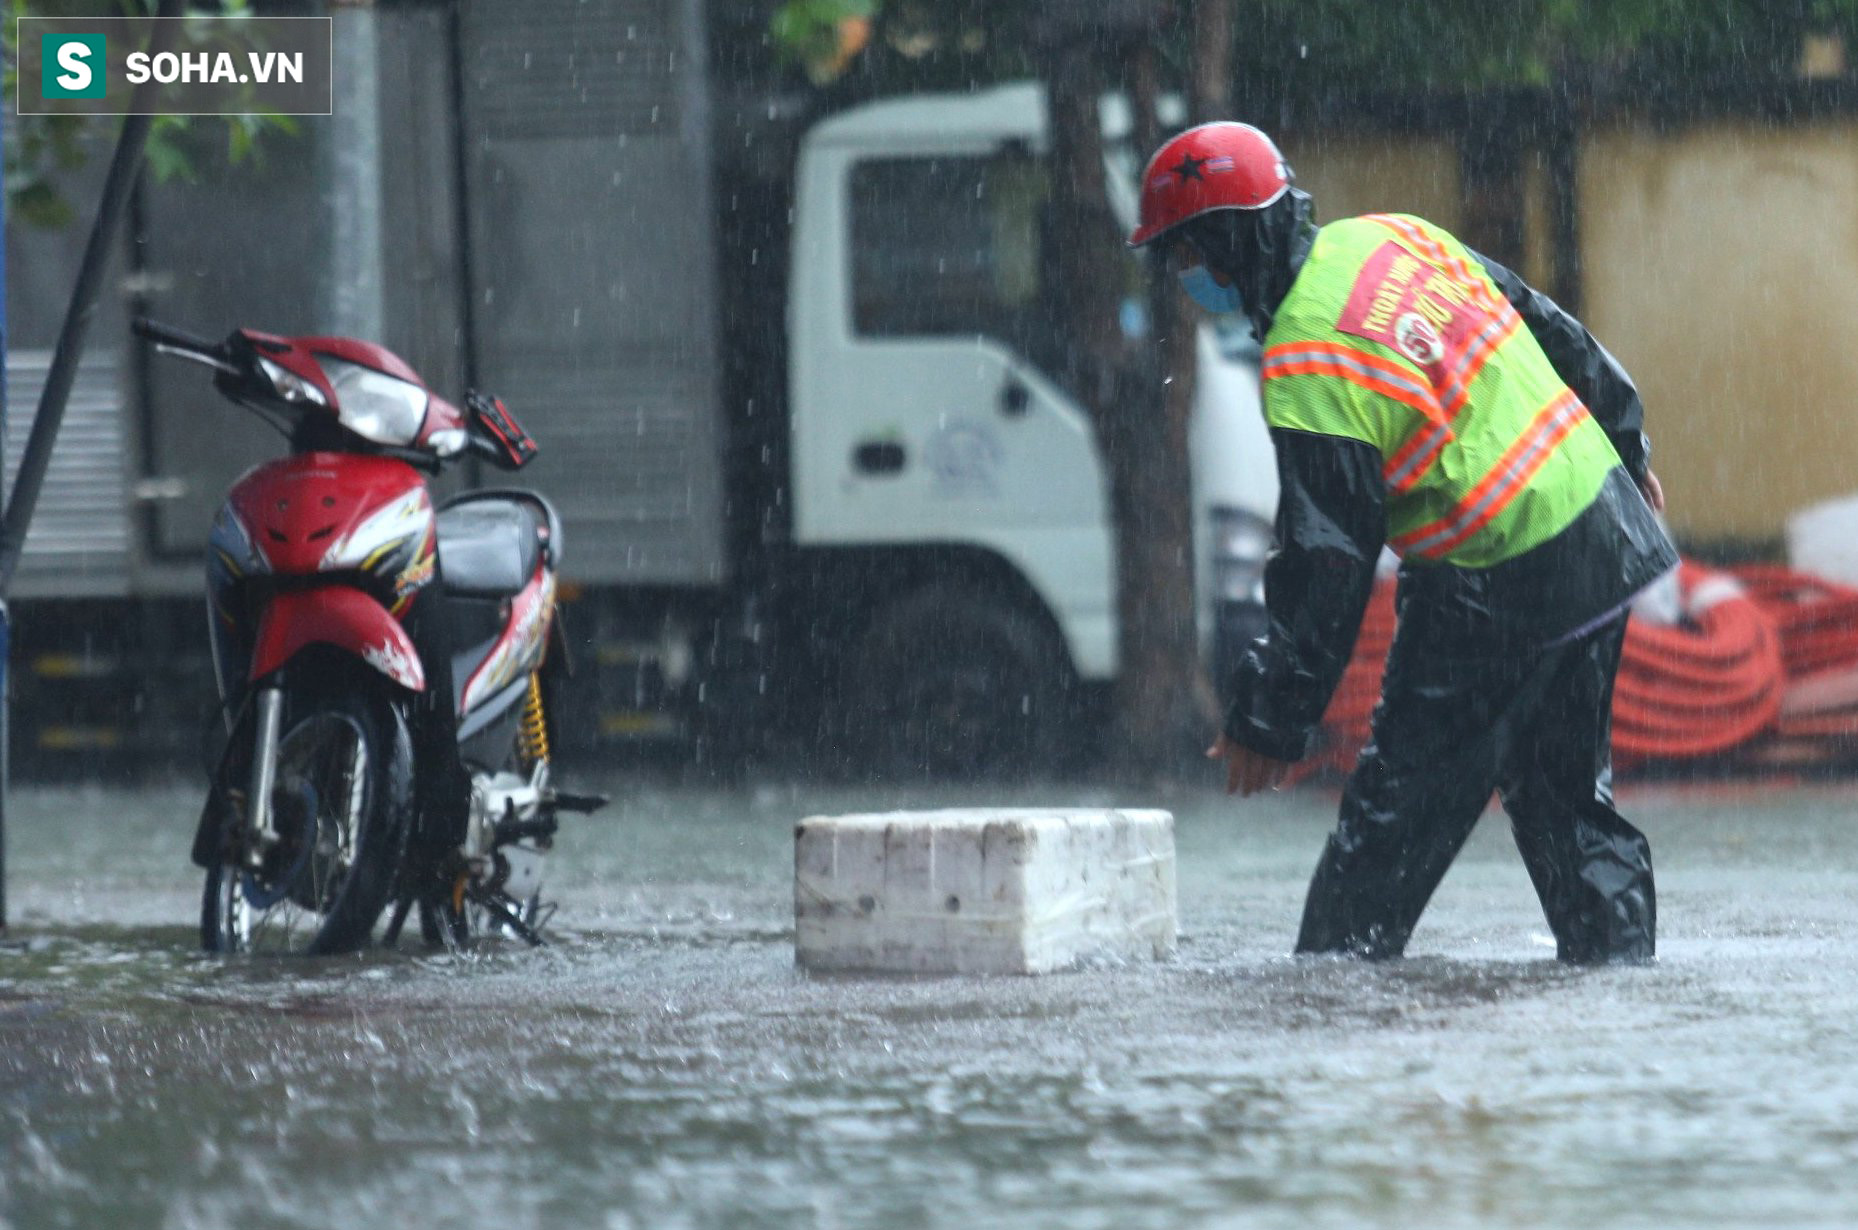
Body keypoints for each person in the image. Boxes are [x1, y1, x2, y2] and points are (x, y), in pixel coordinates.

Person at [1128, 122, 1679, 963]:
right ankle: (1624, 1001)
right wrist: (1626, 443)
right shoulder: (1392, 237)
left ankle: (1327, 1017)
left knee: (1389, 829)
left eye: (1185, 256)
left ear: (1226, 243)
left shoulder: (1306, 357)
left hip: (1496, 578)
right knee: (1569, 806)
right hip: (1600, 533)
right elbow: (1545, 322)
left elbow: (1330, 558)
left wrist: (1272, 716)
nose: (1185, 278)